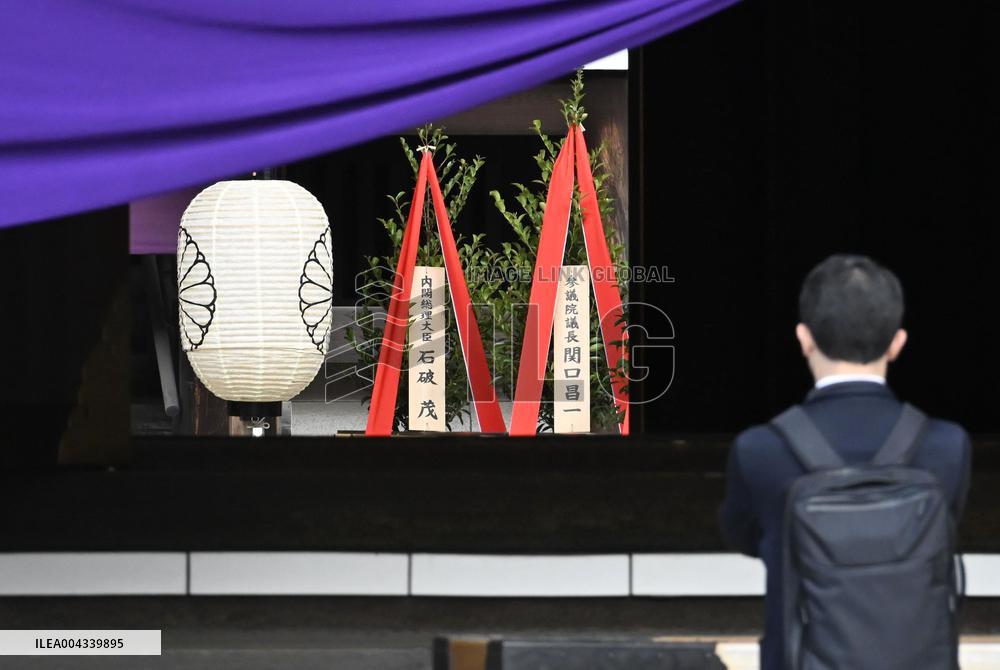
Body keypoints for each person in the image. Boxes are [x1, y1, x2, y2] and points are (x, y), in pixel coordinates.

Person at [719, 254, 971, 670]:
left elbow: (742, 535)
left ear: (803, 338)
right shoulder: (947, 446)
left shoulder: (760, 451)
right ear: (897, 343)